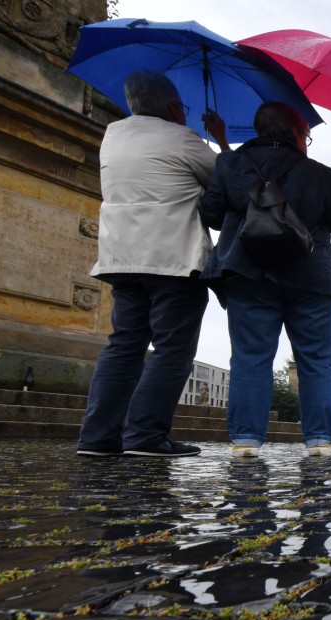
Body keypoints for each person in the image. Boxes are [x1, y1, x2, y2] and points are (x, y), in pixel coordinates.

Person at [77, 71, 229, 458]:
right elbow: (228, 182)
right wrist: (221, 141)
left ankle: (97, 438)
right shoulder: (183, 138)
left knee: (123, 346)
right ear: (174, 108)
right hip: (173, 260)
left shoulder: (112, 136)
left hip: (120, 257)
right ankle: (145, 436)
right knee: (172, 349)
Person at [199, 102, 331, 458]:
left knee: (251, 356)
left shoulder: (231, 164)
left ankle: (246, 442)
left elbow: (210, 214)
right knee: (315, 359)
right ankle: (319, 442)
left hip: (248, 271)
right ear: (297, 133)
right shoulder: (319, 173)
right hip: (311, 276)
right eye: (308, 135)